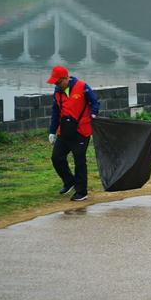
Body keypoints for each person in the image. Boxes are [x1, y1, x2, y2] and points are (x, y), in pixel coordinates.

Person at [47, 65, 100, 202]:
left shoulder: (82, 86)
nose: (57, 85)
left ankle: (82, 192)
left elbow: (94, 103)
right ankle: (69, 181)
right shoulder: (57, 92)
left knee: (79, 160)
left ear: (66, 78)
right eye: (55, 83)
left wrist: (93, 115)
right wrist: (52, 131)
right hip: (64, 131)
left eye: (58, 82)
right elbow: (55, 112)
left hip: (81, 131)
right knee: (56, 157)